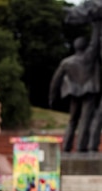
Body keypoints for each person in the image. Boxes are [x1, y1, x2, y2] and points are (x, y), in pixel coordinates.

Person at [49, 22, 101, 152]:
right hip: (88, 92)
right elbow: (95, 41)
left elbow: (55, 81)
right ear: (85, 46)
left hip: (74, 93)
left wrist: (52, 97)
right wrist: (96, 24)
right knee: (85, 120)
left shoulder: (66, 62)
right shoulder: (89, 56)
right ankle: (80, 147)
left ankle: (66, 146)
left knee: (72, 121)